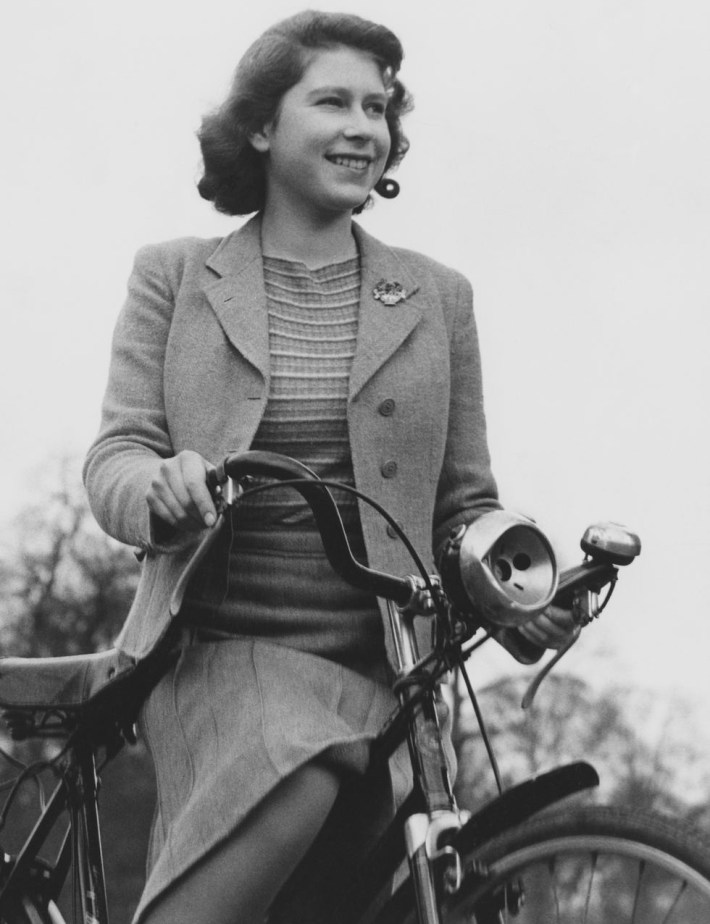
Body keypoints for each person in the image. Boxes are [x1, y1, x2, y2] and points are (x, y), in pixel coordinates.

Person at [83, 10, 576, 924]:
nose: (363, 126)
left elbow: (463, 504)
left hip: (390, 667)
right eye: (334, 102)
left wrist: (516, 588)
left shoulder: (437, 297)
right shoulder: (177, 277)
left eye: (379, 108)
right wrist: (160, 486)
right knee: (302, 758)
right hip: (222, 655)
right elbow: (116, 457)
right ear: (263, 127)